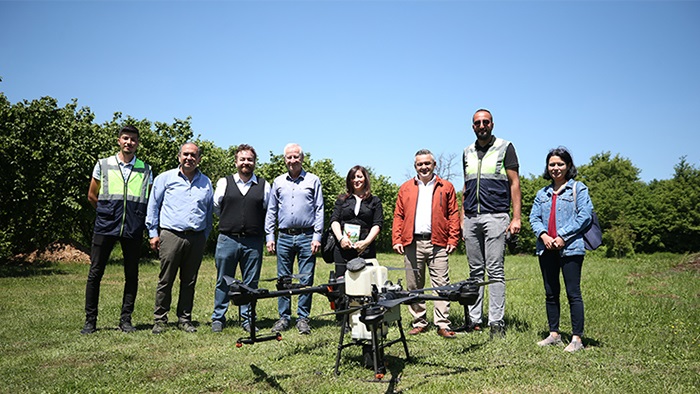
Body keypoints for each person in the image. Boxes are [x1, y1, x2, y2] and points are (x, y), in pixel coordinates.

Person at [81, 125, 152, 334]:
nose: (129, 142)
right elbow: (92, 195)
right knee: (95, 273)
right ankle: (90, 321)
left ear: (138, 143)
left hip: (133, 226)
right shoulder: (103, 165)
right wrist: (106, 212)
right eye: (125, 138)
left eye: (133, 139)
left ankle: (126, 320)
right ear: (119, 141)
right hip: (106, 225)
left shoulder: (146, 169)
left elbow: (147, 199)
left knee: (132, 275)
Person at [462, 108, 521, 338]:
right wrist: (461, 217)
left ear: (492, 124)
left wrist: (516, 217)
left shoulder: (505, 147)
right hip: (471, 218)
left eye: (485, 122)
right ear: (473, 126)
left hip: (496, 216)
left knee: (495, 270)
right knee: (475, 271)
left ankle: (496, 322)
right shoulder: (466, 151)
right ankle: (475, 320)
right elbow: (466, 186)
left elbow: (514, 183)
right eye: (477, 122)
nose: (482, 125)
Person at [392, 149, 461, 339]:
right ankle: (419, 321)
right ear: (415, 166)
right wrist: (397, 239)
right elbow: (398, 215)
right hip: (412, 242)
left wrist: (453, 238)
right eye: (420, 164)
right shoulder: (405, 188)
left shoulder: (445, 186)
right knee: (414, 285)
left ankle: (442, 323)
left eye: (427, 163)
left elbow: (453, 214)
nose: (424, 167)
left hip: (438, 242)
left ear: (434, 165)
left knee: (442, 284)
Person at [529, 147, 592, 352]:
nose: (556, 168)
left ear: (568, 166)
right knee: (551, 293)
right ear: (547, 167)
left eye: (560, 164)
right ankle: (554, 334)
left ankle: (577, 339)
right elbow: (534, 218)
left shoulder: (578, 189)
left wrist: (562, 236)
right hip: (546, 248)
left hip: (571, 248)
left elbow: (585, 216)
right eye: (552, 164)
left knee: (573, 293)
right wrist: (544, 236)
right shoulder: (542, 193)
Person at [146, 142, 213, 334]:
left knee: (189, 281)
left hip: (196, 237)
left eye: (193, 155)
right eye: (186, 154)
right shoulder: (165, 178)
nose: (189, 158)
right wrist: (153, 233)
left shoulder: (206, 182)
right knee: (166, 279)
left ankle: (184, 319)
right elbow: (153, 205)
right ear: (179, 157)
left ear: (199, 159)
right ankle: (160, 319)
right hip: (171, 235)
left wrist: (205, 235)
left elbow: (208, 213)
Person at [264, 143, 324, 335]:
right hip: (284, 237)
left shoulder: (313, 180)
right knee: (283, 279)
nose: (292, 160)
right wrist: (269, 235)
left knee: (306, 279)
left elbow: (319, 209)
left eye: (295, 157)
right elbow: (271, 210)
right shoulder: (278, 181)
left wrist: (317, 236)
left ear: (302, 158)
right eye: (289, 157)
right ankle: (284, 317)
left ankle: (303, 318)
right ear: (284, 160)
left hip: (307, 236)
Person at [210, 144, 270, 334]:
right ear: (236, 162)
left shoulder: (263, 185)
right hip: (228, 239)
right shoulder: (224, 182)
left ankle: (248, 319)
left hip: (253, 242)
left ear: (254, 162)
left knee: (250, 284)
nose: (246, 162)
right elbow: (216, 207)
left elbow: (267, 211)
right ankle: (218, 318)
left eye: (249, 159)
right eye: (242, 159)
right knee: (223, 280)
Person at [330, 165, 383, 322]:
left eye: (359, 176)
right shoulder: (342, 200)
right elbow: (334, 221)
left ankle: (364, 316)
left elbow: (377, 224)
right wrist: (341, 239)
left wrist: (366, 242)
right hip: (343, 248)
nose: (356, 180)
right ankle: (343, 319)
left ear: (365, 178)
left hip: (364, 249)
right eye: (353, 177)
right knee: (342, 283)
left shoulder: (374, 201)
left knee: (365, 283)